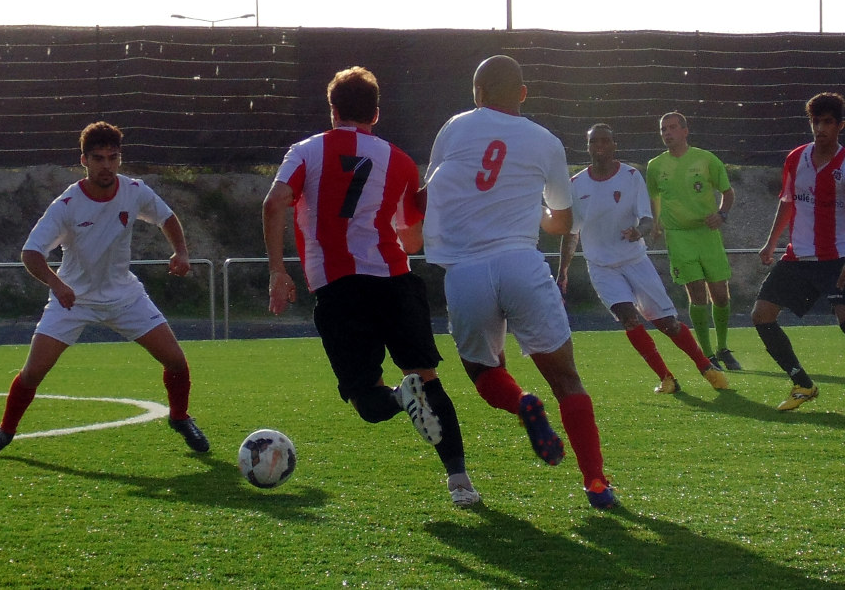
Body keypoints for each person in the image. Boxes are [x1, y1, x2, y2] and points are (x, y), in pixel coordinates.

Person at [262, 66, 480, 508]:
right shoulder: (398, 160)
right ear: (376, 114)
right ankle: (460, 483)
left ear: (332, 109)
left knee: (367, 400)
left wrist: (278, 271)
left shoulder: (306, 151)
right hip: (395, 280)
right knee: (429, 379)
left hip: (339, 287)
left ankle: (400, 399)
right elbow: (411, 240)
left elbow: (274, 203)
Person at [422, 54, 616, 510]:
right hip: (520, 264)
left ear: (478, 93)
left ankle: (523, 403)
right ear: (523, 93)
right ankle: (596, 483)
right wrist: (537, 211)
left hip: (465, 271)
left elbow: (430, 192)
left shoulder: (454, 127)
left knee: (483, 371)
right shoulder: (545, 141)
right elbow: (563, 222)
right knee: (567, 379)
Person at [0, 121, 210, 458]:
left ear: (120, 158)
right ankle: (5, 430)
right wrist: (57, 285)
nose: (107, 165)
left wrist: (181, 252)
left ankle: (180, 417)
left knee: (176, 361)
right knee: (33, 373)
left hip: (125, 297)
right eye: (98, 158)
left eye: (113, 157)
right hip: (73, 300)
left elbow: (167, 218)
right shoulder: (67, 205)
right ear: (84, 160)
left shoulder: (135, 190)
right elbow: (31, 253)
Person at [557, 124, 730, 395]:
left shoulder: (630, 176)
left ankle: (705, 367)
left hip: (635, 261)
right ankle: (667, 378)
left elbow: (647, 219)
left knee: (667, 324)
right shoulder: (576, 184)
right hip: (601, 266)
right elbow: (571, 232)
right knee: (628, 318)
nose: (599, 146)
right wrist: (563, 271)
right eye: (593, 142)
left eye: (604, 141)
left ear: (614, 145)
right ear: (587, 147)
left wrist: (640, 231)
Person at [752, 92, 845, 413]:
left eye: (827, 122)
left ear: (840, 126)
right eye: (816, 121)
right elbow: (787, 201)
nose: (820, 128)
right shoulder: (796, 158)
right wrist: (771, 243)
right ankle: (802, 384)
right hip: (798, 257)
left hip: (836, 258)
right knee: (761, 315)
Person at [646, 112, 742, 371]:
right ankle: (708, 354)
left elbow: (727, 192)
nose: (667, 133)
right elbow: (654, 197)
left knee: (720, 295)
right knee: (697, 293)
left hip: (707, 234)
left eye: (672, 127)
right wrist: (655, 224)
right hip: (678, 237)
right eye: (663, 129)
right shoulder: (655, 166)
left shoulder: (706, 159)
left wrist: (721, 214)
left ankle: (723, 348)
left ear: (685, 131)